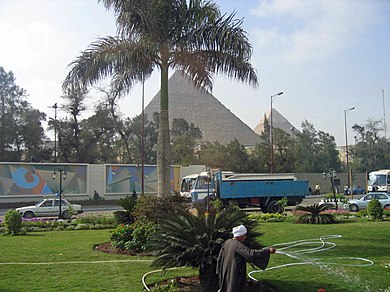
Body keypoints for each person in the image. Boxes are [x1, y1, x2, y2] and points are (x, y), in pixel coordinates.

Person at [216, 225, 276, 292]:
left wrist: (219, 271)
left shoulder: (227, 242)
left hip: (226, 272)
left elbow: (220, 258)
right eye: (244, 235)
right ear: (240, 236)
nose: (245, 237)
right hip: (234, 274)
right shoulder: (238, 245)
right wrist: (267, 251)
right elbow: (251, 254)